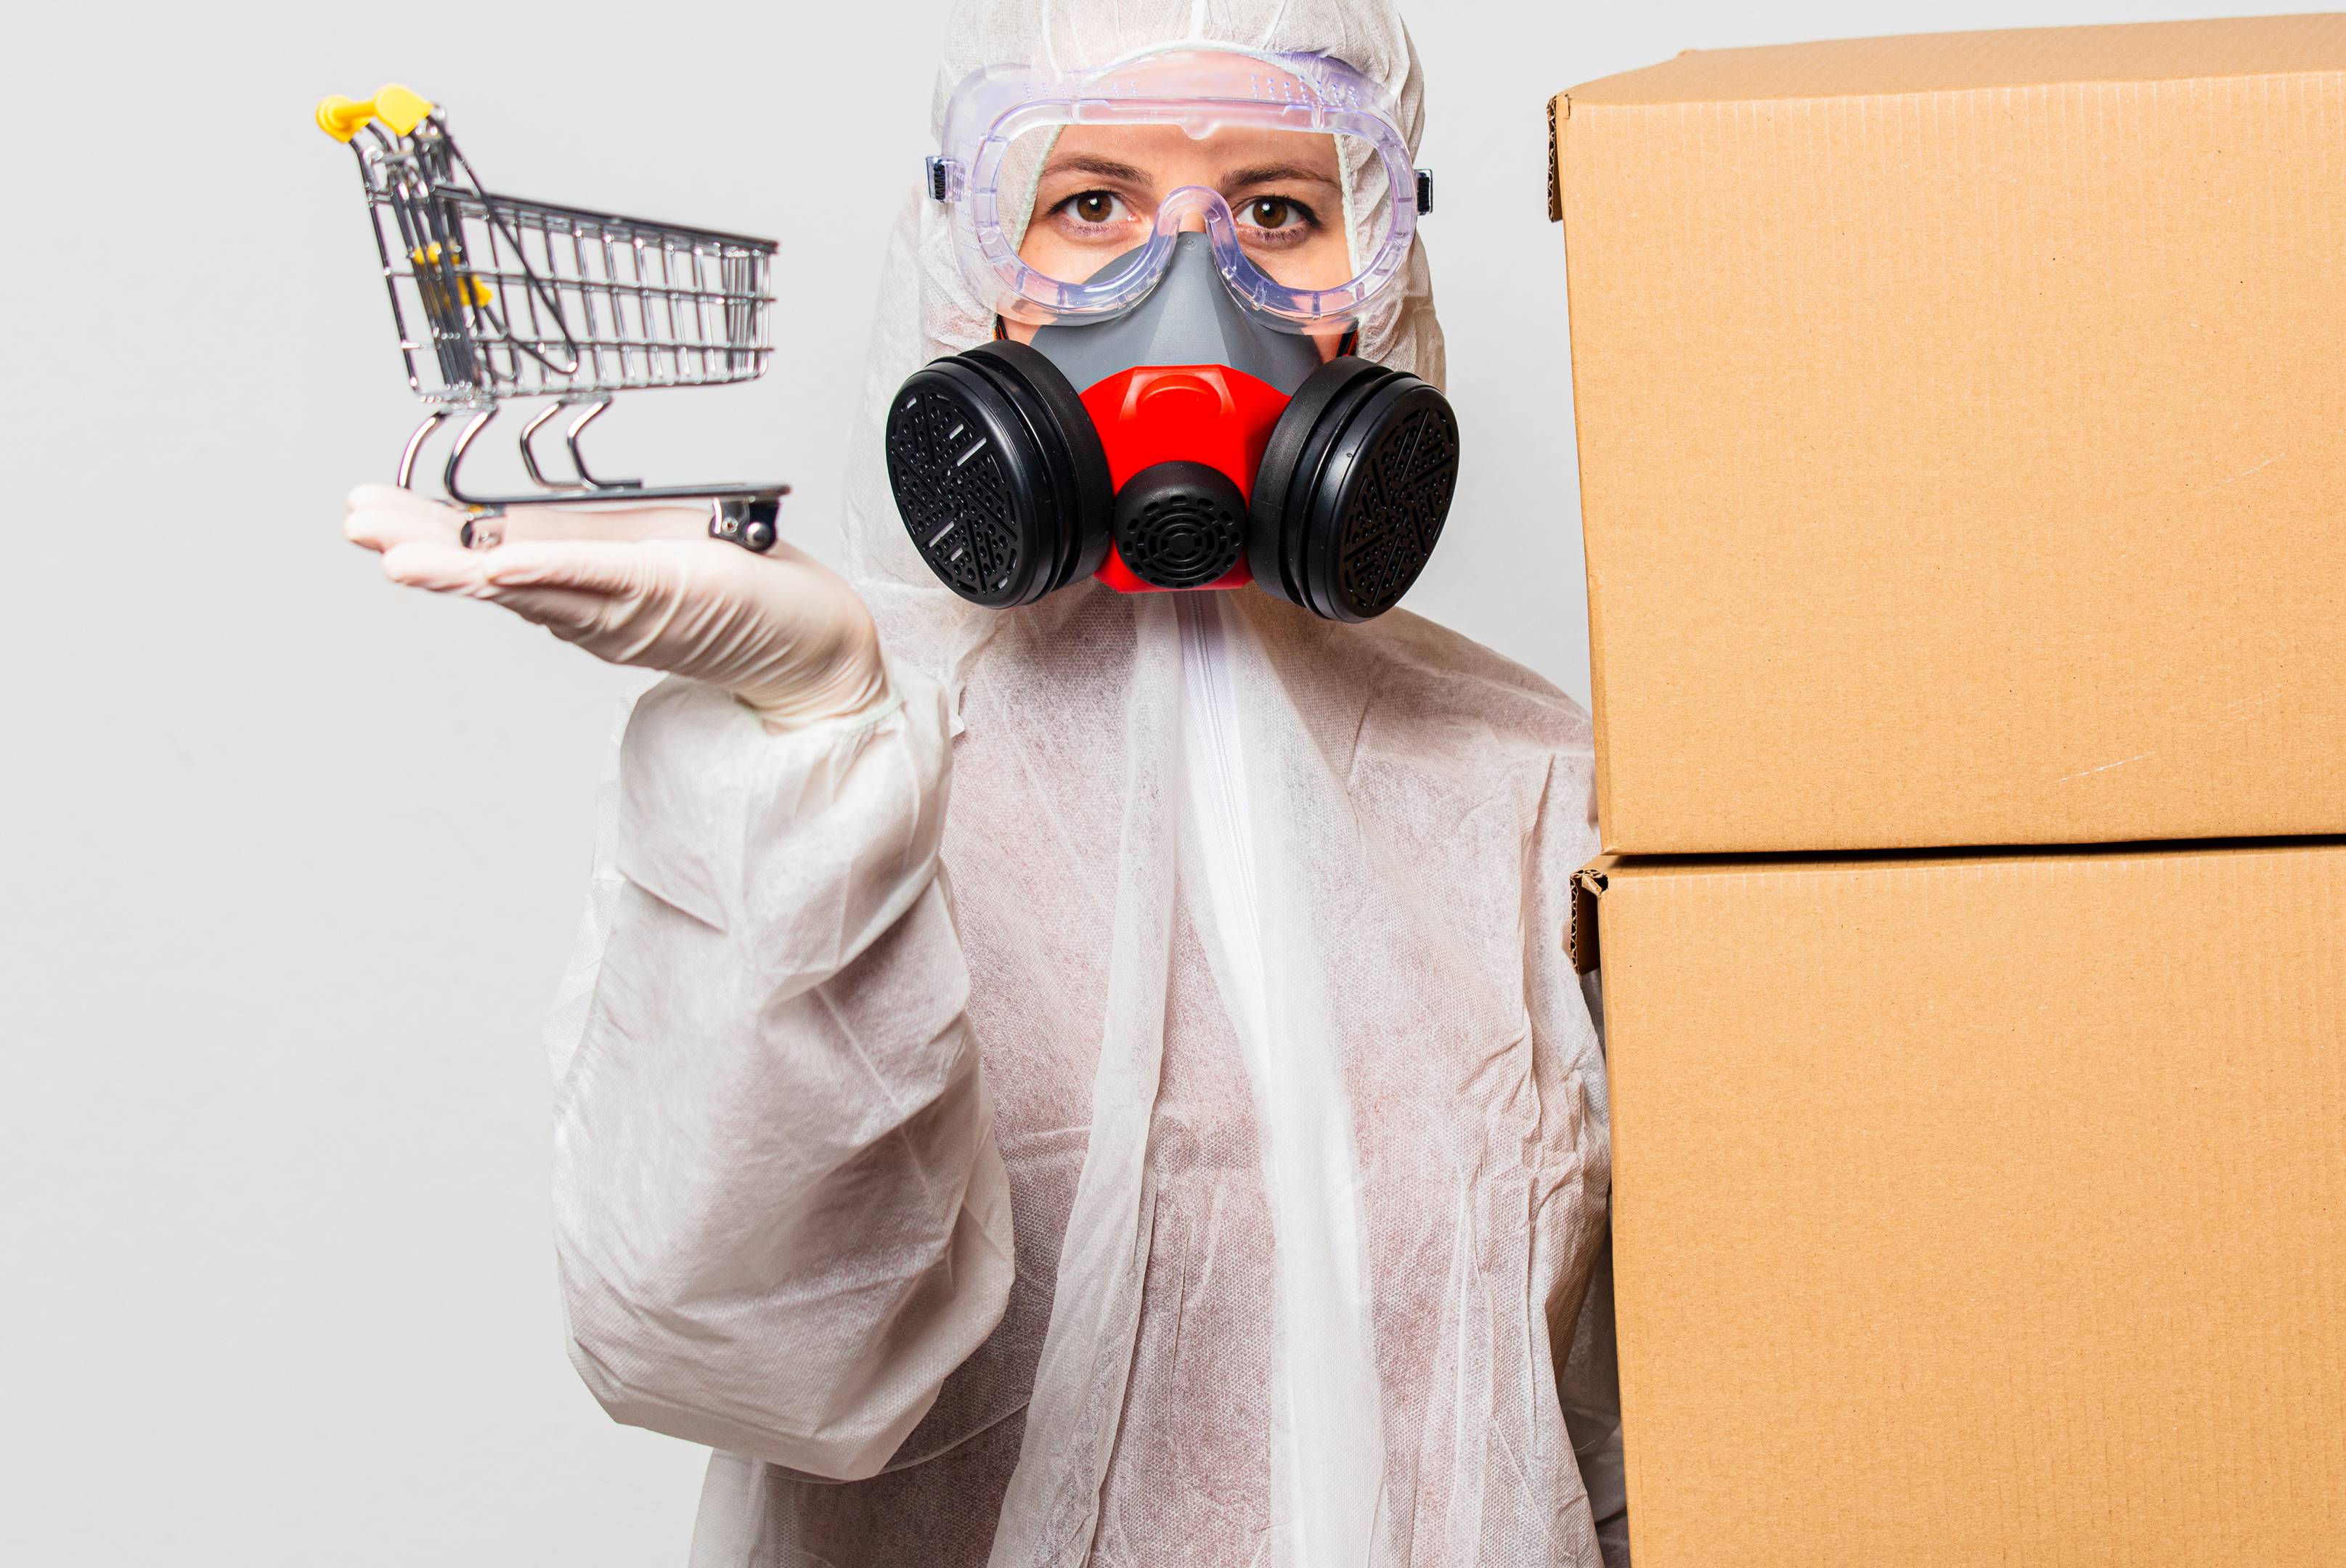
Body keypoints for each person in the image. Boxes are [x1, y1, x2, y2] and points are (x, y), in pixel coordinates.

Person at [344, 3, 1624, 1564]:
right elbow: (711, 1340)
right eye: (1090, 203)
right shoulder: (832, 760)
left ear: (1380, 281)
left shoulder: (1528, 777)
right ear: (972, 268)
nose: (1188, 288)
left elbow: (1645, 1427)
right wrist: (813, 737)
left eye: (1280, 212)